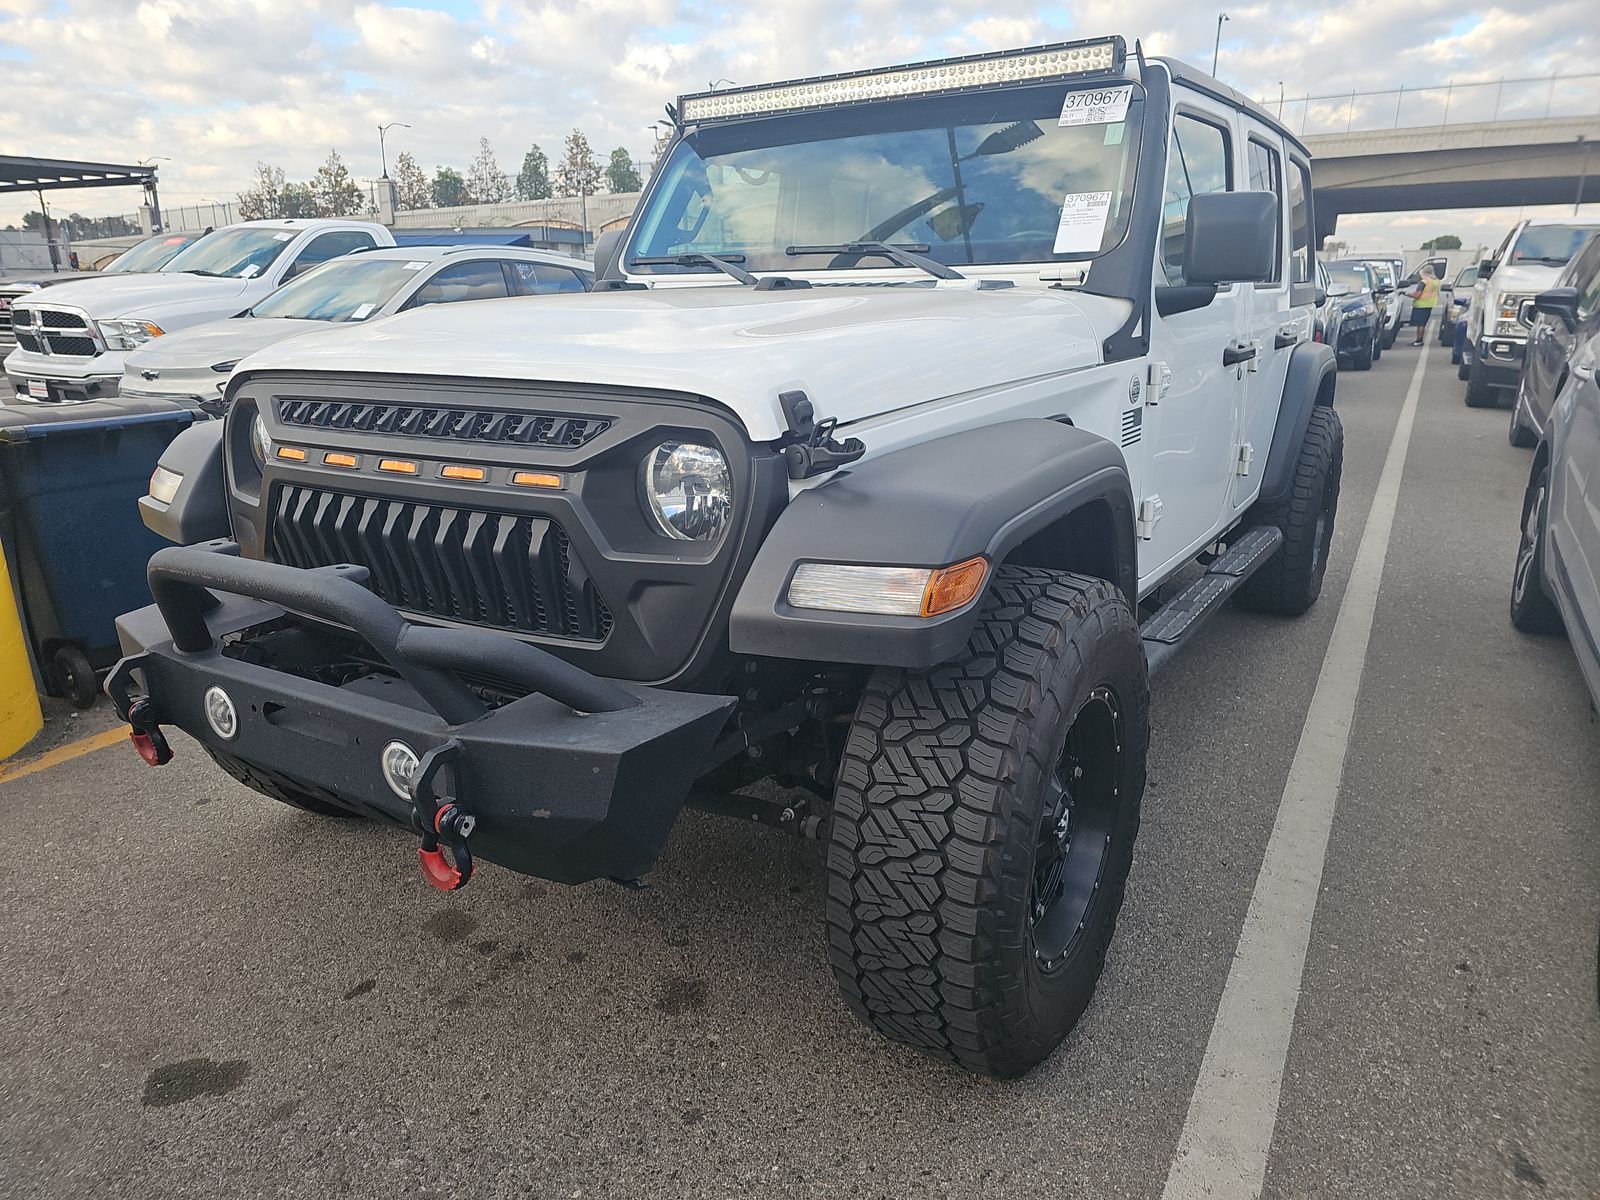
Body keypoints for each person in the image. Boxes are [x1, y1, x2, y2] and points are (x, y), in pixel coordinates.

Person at [1410, 264, 1440, 346]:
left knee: (1420, 324)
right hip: (1430, 304)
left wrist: (1407, 294)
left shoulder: (1423, 282)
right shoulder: (1436, 281)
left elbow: (1417, 295)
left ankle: (1419, 340)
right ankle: (1419, 340)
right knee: (1423, 323)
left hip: (1420, 305)